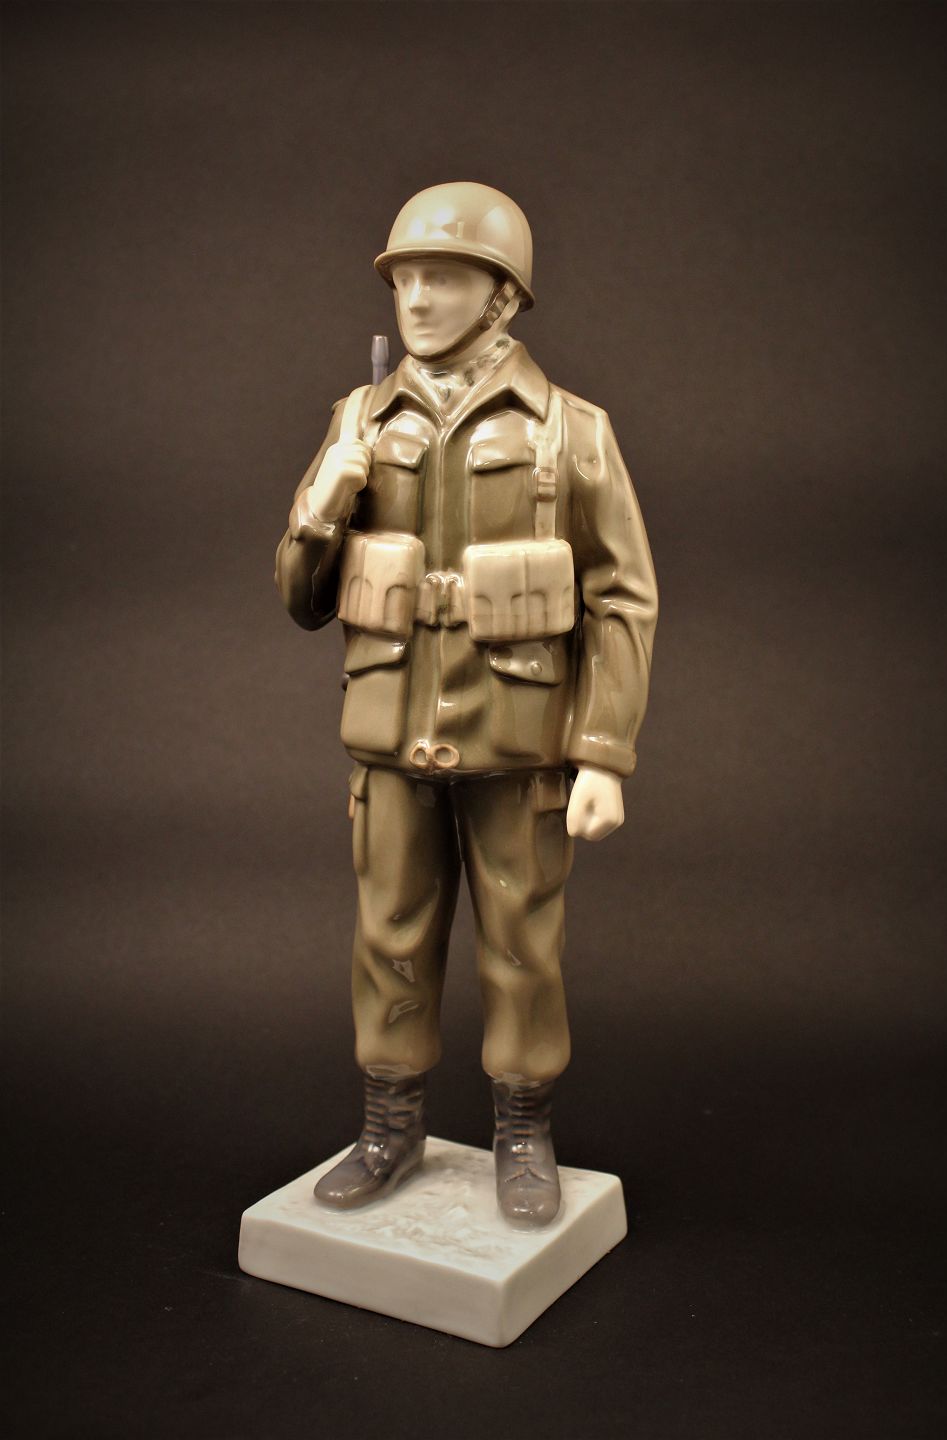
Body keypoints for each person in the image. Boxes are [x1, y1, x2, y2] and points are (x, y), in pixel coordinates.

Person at [275, 182, 658, 1227]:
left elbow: (623, 597)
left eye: (442, 277)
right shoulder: (359, 420)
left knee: (522, 943)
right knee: (389, 935)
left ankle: (523, 1130)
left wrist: (603, 752)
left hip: (518, 737)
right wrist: (323, 505)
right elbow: (301, 599)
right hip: (391, 734)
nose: (416, 298)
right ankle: (389, 1124)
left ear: (501, 296)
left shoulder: (571, 431)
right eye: (404, 278)